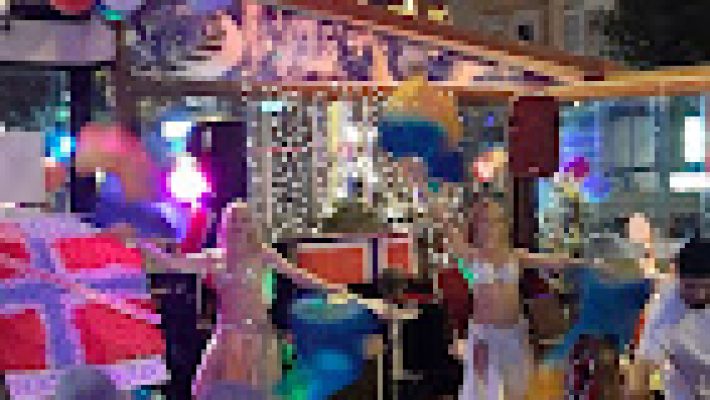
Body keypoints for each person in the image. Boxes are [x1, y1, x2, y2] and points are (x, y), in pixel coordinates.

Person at [626, 236, 710, 400]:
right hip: (684, 390)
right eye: (690, 286)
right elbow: (644, 361)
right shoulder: (666, 303)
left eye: (707, 287)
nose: (699, 295)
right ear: (677, 278)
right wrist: (637, 390)